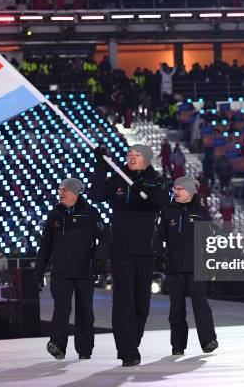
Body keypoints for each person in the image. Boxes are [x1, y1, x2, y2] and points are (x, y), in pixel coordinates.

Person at [91, 144, 169, 366]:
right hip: (121, 250)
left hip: (146, 250)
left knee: (141, 303)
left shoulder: (156, 180)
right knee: (123, 301)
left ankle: (133, 341)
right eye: (129, 154)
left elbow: (163, 201)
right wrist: (101, 166)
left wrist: (144, 190)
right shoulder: (118, 178)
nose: (132, 157)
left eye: (137, 155)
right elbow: (96, 194)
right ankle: (127, 349)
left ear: (146, 159)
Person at [35, 178, 104, 360]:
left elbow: (106, 237)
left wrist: (99, 261)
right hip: (60, 272)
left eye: (64, 190)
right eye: (60, 189)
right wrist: (38, 271)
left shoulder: (91, 213)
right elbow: (46, 245)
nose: (60, 192)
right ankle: (58, 345)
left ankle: (85, 349)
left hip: (84, 271)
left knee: (85, 312)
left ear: (74, 192)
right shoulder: (54, 214)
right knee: (61, 310)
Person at [155, 176, 218, 356]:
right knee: (176, 309)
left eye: (180, 189)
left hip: (196, 266)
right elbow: (159, 237)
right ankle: (178, 345)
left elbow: (209, 239)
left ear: (190, 191)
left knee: (201, 305)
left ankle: (208, 341)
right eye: (175, 189)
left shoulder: (201, 212)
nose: (175, 191)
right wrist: (159, 256)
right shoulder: (167, 211)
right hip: (174, 267)